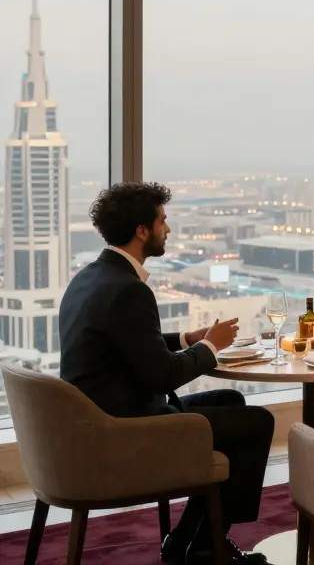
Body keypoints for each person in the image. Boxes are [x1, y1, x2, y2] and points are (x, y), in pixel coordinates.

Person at [58, 183, 273, 565]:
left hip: (101, 418)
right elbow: (161, 376)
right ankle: (208, 546)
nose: (168, 230)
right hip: (128, 429)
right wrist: (210, 346)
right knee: (257, 422)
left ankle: (185, 539)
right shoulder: (128, 290)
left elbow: (131, 345)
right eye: (163, 221)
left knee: (231, 401)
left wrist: (186, 338)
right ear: (142, 230)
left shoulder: (91, 276)